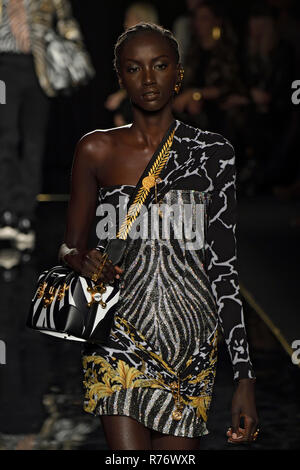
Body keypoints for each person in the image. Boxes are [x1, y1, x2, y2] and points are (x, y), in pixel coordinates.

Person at [59, 22, 258, 450]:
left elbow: (223, 268)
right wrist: (83, 260)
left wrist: (243, 376)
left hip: (191, 342)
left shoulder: (212, 154)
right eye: (134, 69)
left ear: (178, 73)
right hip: (118, 335)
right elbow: (69, 245)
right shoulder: (96, 149)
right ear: (120, 77)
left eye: (160, 66)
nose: (148, 80)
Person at [0, 0, 93, 257]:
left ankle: (25, 215)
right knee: (5, 137)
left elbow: (66, 22)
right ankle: (6, 212)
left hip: (38, 71)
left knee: (33, 142)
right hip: (3, 70)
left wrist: (76, 53)